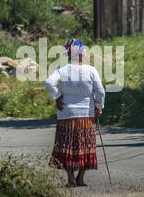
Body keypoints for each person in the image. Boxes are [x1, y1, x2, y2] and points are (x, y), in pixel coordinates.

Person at [44, 38, 105, 187]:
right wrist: (98, 106)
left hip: (66, 114)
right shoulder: (91, 70)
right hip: (86, 114)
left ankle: (71, 178)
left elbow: (48, 82)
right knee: (85, 145)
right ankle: (80, 178)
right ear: (81, 53)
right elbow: (100, 91)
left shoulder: (63, 70)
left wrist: (57, 96)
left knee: (67, 146)